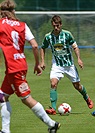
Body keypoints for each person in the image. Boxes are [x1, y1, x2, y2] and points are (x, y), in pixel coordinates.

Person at [0, 0, 60, 133]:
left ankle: (52, 124)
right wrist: (37, 64)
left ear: (1, 12)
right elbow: (34, 45)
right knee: (2, 96)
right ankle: (5, 130)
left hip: (14, 68)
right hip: (19, 65)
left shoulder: (1, 24)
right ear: (13, 11)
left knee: (26, 99)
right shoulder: (22, 25)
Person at [40, 15, 93, 115]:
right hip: (57, 65)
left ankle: (87, 98)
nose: (56, 28)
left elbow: (75, 47)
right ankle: (53, 109)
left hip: (69, 65)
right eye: (54, 26)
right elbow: (42, 48)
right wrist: (42, 61)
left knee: (77, 86)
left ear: (61, 25)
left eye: (58, 26)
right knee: (53, 83)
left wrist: (79, 59)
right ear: (52, 25)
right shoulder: (48, 37)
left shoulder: (67, 34)